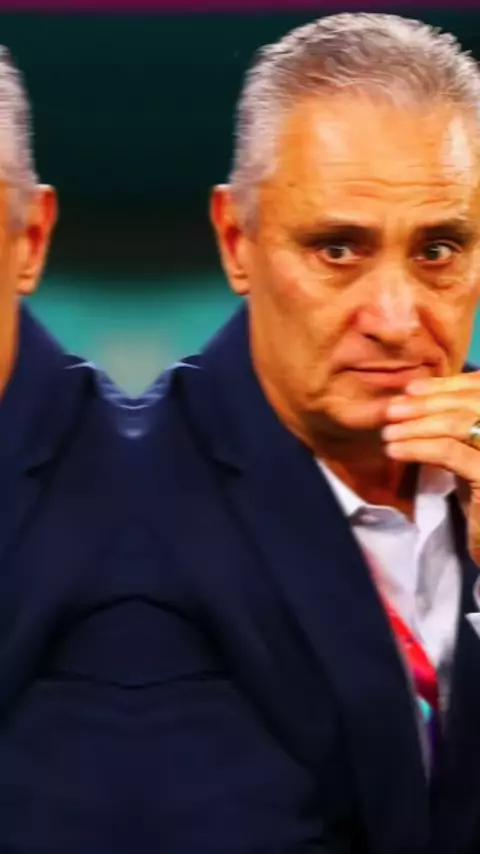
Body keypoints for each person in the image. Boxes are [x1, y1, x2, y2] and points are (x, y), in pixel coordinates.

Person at [143, 13, 480, 853]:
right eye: (338, 249)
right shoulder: (125, 504)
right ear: (238, 240)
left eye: (439, 249)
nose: (397, 319)